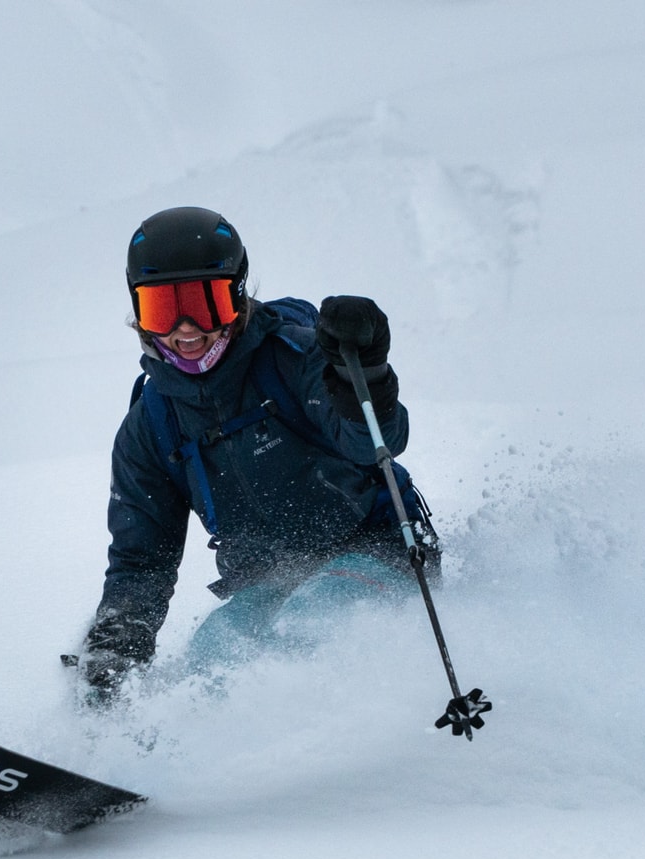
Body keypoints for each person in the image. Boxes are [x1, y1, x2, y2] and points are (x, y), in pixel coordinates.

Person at [75, 206, 427, 706]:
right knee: (212, 657)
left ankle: (333, 765)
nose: (186, 328)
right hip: (273, 580)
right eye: (162, 308)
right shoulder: (152, 423)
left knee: (312, 624)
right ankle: (166, 768)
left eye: (203, 302)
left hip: (379, 551)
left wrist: (361, 377)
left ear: (237, 295)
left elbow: (375, 442)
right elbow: (141, 559)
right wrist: (117, 646)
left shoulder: (298, 358)